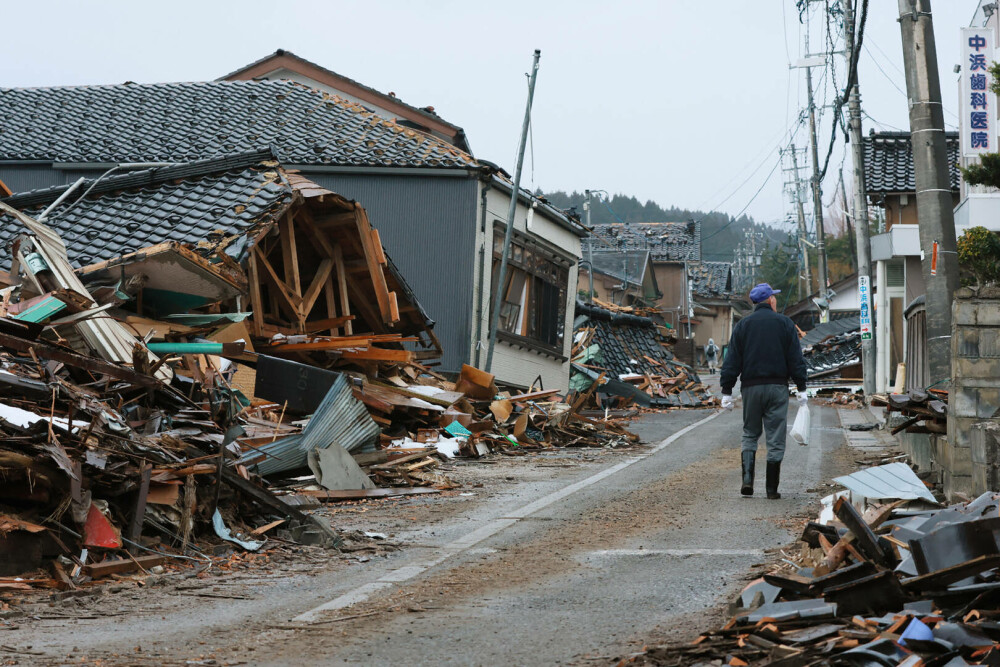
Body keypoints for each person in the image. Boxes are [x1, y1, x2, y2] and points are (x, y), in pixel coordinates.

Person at [719, 283, 808, 499]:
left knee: (750, 432)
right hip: (778, 387)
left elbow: (732, 360)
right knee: (775, 436)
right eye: (774, 297)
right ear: (770, 300)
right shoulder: (785, 324)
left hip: (751, 388)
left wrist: (727, 391)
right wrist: (802, 387)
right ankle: (771, 489)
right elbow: (796, 359)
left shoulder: (743, 325)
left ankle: (748, 480)